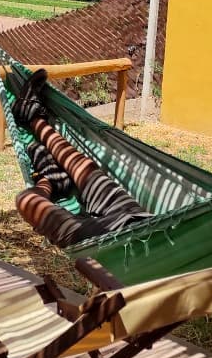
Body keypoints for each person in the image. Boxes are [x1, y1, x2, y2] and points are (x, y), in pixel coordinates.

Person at [11, 69, 149, 249]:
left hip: (106, 239)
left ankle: (48, 180)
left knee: (26, 201)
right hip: (140, 219)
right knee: (89, 173)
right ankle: (34, 119)